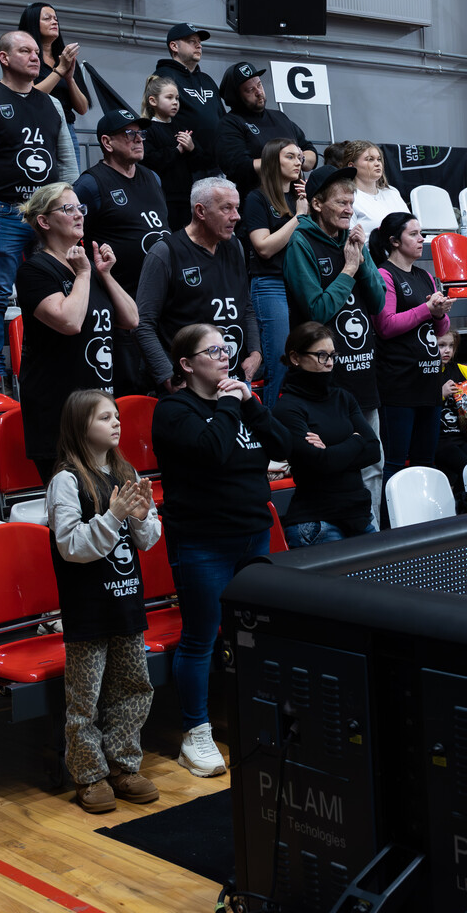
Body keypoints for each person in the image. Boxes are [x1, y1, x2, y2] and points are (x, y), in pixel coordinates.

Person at [152, 322, 291, 777]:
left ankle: (254, 716)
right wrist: (232, 403)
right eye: (212, 351)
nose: (225, 355)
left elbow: (283, 446)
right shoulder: (174, 410)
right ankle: (195, 733)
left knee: (254, 633)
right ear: (187, 364)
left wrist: (250, 404)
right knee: (201, 636)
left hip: (253, 533)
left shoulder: (241, 403)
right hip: (202, 541)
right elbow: (211, 450)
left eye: (226, 348)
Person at [45, 389, 160, 813]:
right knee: (85, 699)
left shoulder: (125, 472)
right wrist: (113, 516)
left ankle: (124, 767)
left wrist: (142, 516)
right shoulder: (66, 480)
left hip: (126, 603)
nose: (116, 423)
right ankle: (89, 775)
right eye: (104, 417)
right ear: (81, 426)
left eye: (117, 416)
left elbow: (147, 539)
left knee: (133, 688)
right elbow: (71, 546)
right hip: (89, 608)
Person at [0, 30, 79, 375]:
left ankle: (47, 367)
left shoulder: (52, 104)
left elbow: (68, 166)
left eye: (36, 52)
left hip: (48, 217)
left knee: (55, 292)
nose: (35, 56)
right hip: (3, 213)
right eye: (24, 51)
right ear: (4, 57)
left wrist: (69, 211)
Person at [14, 183, 138, 478]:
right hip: (59, 411)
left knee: (107, 498)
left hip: (97, 406)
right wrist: (83, 273)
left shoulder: (88, 268)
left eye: (80, 208)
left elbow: (132, 319)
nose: (79, 214)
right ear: (44, 221)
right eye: (68, 208)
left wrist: (104, 274)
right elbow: (69, 322)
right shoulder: (35, 270)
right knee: (73, 499)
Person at [283, 164, 386, 512]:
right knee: (333, 466)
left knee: (373, 464)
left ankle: (371, 531)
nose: (349, 210)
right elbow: (317, 310)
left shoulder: (352, 241)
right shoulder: (301, 243)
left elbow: (378, 303)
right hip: (326, 380)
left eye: (352, 202)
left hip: (363, 370)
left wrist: (362, 256)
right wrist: (349, 269)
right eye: (341, 202)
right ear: (317, 203)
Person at [75, 108, 171, 394]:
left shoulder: (153, 178)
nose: (138, 139)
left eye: (140, 134)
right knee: (130, 389)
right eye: (129, 134)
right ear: (107, 142)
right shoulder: (90, 184)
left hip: (160, 301)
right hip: (119, 302)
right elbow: (70, 235)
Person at [135, 176, 260, 394]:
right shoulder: (165, 252)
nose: (236, 216)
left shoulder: (235, 246)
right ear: (200, 211)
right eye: (226, 208)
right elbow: (142, 324)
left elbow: (245, 305)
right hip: (189, 386)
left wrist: (255, 352)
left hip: (232, 380)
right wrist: (168, 377)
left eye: (237, 207)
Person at [272, 321, 382, 545]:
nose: (330, 362)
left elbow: (373, 451)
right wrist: (355, 441)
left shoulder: (343, 397)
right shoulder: (287, 408)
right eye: (321, 355)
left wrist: (330, 451)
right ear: (295, 357)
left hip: (358, 517)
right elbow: (319, 463)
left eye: (332, 355)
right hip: (317, 522)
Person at [373, 212, 452, 483]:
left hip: (428, 381)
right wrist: (427, 309)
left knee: (426, 462)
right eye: (414, 234)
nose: (421, 239)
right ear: (394, 241)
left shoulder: (425, 276)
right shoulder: (384, 274)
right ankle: (391, 511)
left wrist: (439, 313)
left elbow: (440, 330)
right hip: (399, 383)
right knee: (395, 463)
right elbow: (386, 325)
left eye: (422, 234)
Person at [243, 139, 307, 408]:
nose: (298, 162)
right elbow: (264, 247)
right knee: (279, 361)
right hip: (271, 283)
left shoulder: (302, 199)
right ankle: (269, 425)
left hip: (301, 284)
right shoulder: (257, 198)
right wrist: (299, 217)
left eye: (300, 157)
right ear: (272, 160)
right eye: (290, 156)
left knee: (305, 357)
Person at [215, 61, 316, 193]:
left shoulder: (280, 117)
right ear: (236, 96)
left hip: (293, 196)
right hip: (256, 197)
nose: (259, 92)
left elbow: (311, 153)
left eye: (259, 85)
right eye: (250, 90)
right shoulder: (230, 123)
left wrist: (299, 159)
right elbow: (237, 167)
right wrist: (281, 161)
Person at [19, 3, 91, 163]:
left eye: (56, 19)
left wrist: (69, 78)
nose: (54, 22)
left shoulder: (65, 58)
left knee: (70, 178)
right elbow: (30, 96)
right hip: (37, 130)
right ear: (33, 23)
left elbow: (82, 108)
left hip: (67, 129)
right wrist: (59, 71)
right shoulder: (27, 58)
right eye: (47, 18)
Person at [152, 23, 221, 173]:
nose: (199, 46)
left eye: (199, 42)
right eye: (191, 41)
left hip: (216, 164)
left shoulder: (207, 80)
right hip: (185, 165)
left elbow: (221, 117)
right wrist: (194, 149)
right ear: (174, 46)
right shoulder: (164, 77)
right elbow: (161, 121)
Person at [433, 329, 467, 496]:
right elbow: (419, 402)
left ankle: (465, 499)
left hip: (461, 435)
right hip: (439, 439)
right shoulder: (427, 371)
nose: (447, 350)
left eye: (451, 346)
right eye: (441, 345)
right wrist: (441, 394)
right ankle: (461, 500)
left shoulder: (456, 368)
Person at [140, 75, 198, 231]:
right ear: (153, 101)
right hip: (163, 196)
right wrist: (177, 150)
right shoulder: (148, 129)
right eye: (169, 97)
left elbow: (196, 163)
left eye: (177, 98)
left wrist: (192, 148)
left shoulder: (181, 127)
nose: (175, 102)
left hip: (185, 195)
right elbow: (150, 160)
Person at [344, 140, 409, 240]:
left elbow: (411, 225)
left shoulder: (392, 192)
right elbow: (350, 239)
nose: (377, 164)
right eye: (370, 159)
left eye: (379, 159)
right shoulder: (349, 198)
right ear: (352, 166)